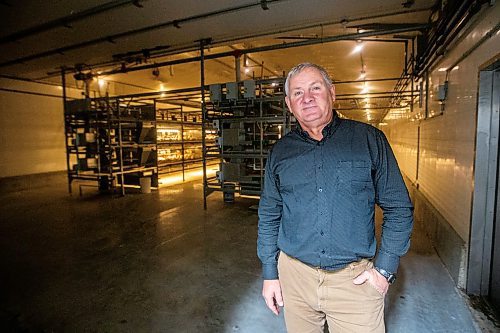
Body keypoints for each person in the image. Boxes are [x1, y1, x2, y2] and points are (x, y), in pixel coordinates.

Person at [257, 62, 414, 332]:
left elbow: (398, 207)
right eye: (297, 93)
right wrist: (270, 273)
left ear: (332, 92)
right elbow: (270, 213)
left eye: (315, 88)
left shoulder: (368, 139)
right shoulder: (280, 153)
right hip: (295, 278)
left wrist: (384, 270)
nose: (306, 98)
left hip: (354, 283)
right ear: (288, 103)